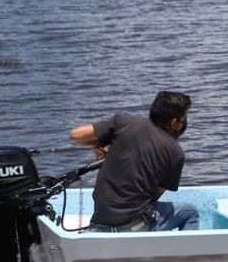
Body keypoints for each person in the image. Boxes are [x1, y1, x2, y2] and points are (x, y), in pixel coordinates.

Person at [68, 91, 200, 232]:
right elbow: (154, 196)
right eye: (184, 118)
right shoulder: (176, 153)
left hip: (99, 224)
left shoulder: (123, 122)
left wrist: (96, 145)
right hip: (134, 227)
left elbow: (76, 135)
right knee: (190, 213)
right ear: (174, 123)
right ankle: (180, 252)